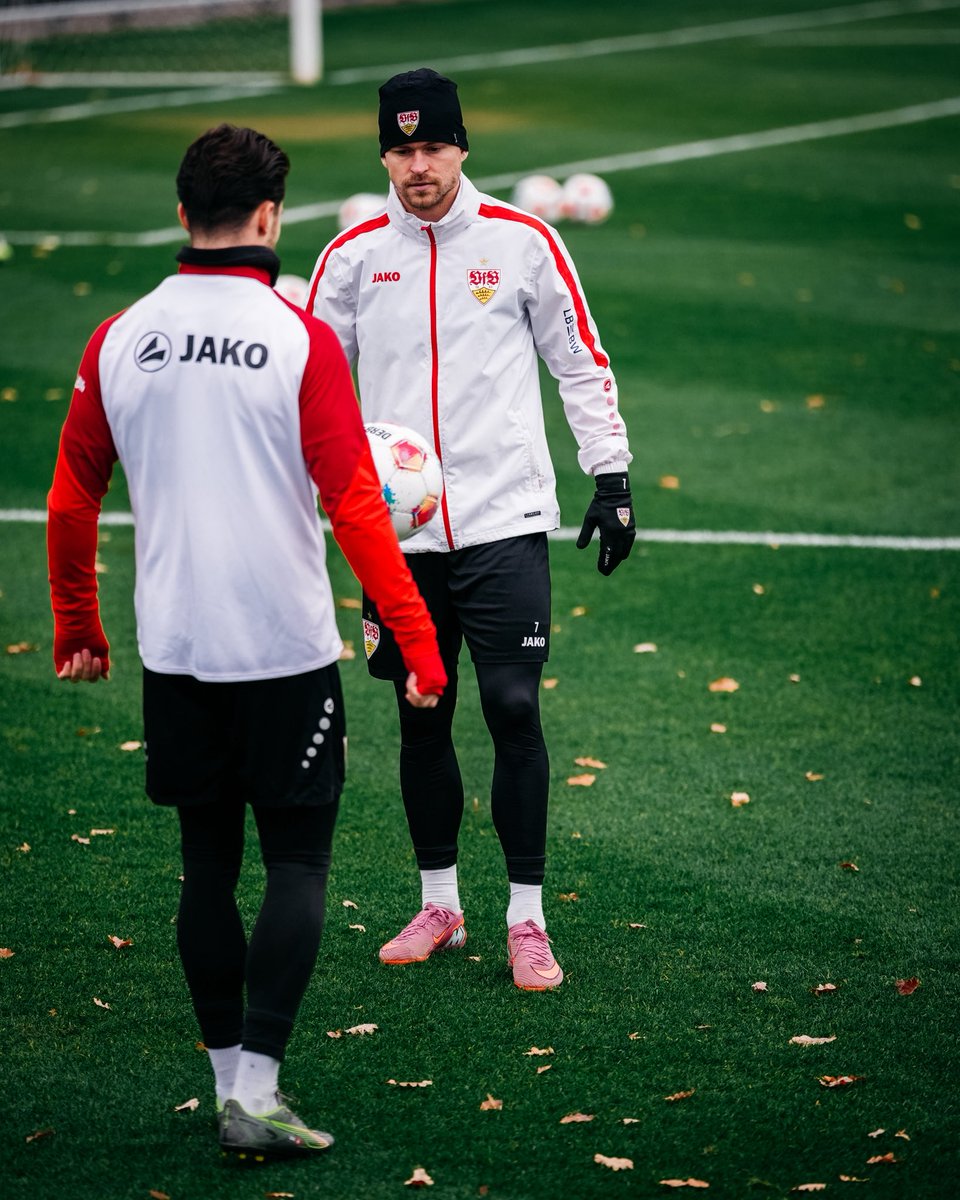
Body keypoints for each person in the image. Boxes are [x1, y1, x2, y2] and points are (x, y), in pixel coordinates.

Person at [47, 123, 446, 1159]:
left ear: (184, 214)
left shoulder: (119, 336)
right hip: (282, 649)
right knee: (299, 862)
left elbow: (69, 499)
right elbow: (357, 503)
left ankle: (228, 1082)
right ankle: (258, 1091)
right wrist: (416, 638)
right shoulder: (297, 337)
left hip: (176, 651)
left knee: (204, 869)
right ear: (271, 217)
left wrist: (77, 624)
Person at [307, 69, 635, 991]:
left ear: (461, 147)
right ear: (384, 154)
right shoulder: (353, 258)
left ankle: (526, 921)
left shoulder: (525, 242)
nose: (419, 167)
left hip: (504, 520)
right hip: (397, 535)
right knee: (424, 713)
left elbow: (580, 363)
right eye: (402, 150)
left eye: (434, 148)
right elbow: (311, 386)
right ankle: (441, 904)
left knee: (514, 707)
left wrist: (609, 476)